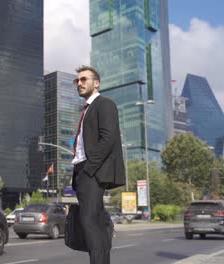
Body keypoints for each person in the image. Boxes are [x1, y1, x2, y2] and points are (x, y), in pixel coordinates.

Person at [71, 65, 126, 264]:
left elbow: (109, 138)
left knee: (89, 222)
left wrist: (89, 169)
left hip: (92, 171)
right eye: (77, 80)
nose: (79, 83)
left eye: (84, 79)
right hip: (82, 170)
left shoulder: (105, 104)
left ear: (96, 83)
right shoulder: (86, 109)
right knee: (94, 221)